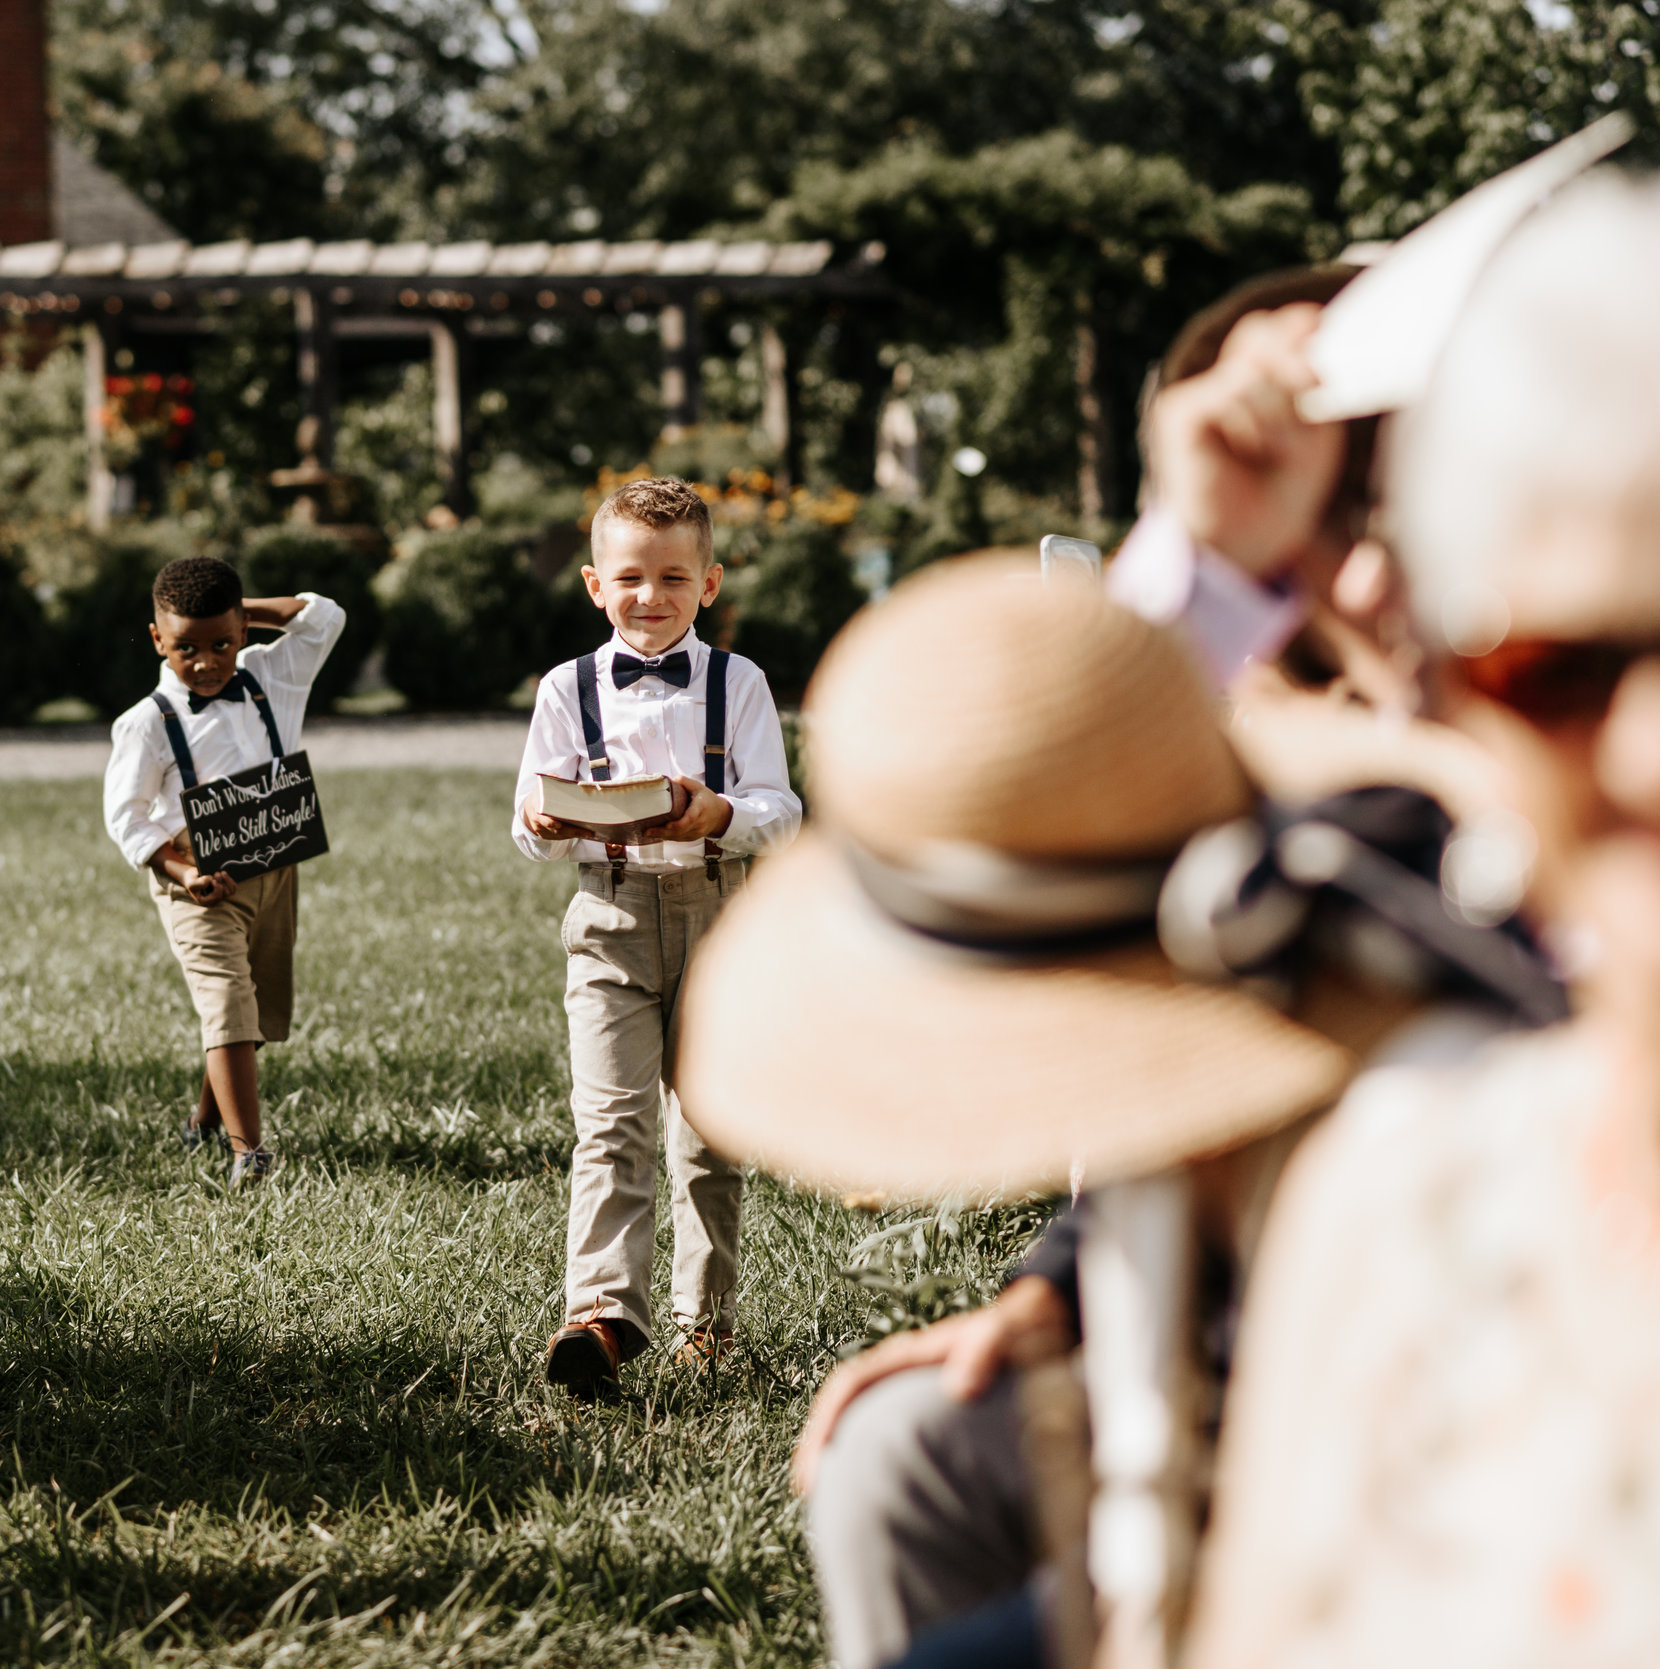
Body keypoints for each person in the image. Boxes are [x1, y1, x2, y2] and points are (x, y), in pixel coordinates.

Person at [673, 557, 1561, 1668]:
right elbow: (1163, 1151)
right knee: (901, 1452)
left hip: (1436, 1511)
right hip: (1203, 1429)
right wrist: (1048, 1296)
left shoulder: (1448, 1091)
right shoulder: (1211, 937)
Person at [1185, 168, 1660, 1666]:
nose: (1650, 749)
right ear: (1462, 703)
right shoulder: (1396, 1198)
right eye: (1567, 678)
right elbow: (1027, 844)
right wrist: (1205, 564)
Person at [514, 476, 802, 1395]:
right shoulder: (566, 689)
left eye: (673, 578)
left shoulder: (738, 682)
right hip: (608, 915)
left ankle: (705, 1322)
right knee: (610, 1124)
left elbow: (781, 810)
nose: (651, 596)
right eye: (630, 577)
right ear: (596, 585)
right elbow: (527, 818)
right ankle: (600, 1315)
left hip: (720, 916)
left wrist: (718, 812)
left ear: (709, 584)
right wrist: (547, 821)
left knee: (709, 1134)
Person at [102, 555, 344, 1187]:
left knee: (255, 1004)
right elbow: (126, 816)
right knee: (227, 999)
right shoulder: (145, 723)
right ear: (158, 639)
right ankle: (248, 1153)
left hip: (273, 867)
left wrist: (245, 616)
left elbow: (324, 617)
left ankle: (204, 1121)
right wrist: (182, 872)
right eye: (187, 647)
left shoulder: (274, 675)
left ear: (244, 633)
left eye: (222, 643)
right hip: (198, 881)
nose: (207, 662)